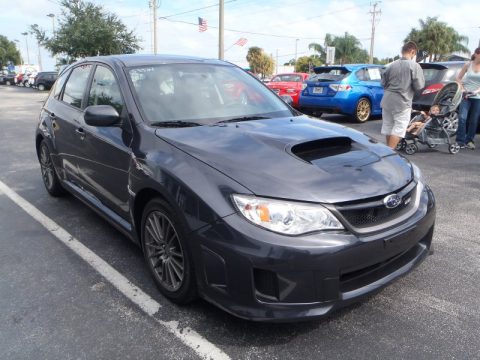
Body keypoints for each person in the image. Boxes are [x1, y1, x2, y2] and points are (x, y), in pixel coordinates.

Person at [380, 41, 425, 149]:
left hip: (387, 100)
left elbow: (383, 84)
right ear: (412, 51)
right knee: (399, 128)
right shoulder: (414, 66)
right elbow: (419, 86)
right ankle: (389, 154)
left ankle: (388, 150)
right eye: (414, 54)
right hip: (402, 102)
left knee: (388, 126)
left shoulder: (390, 65)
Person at [455, 47, 480, 150]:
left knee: (473, 120)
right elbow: (458, 78)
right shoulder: (468, 65)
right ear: (477, 54)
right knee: (462, 118)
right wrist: (463, 88)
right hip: (465, 95)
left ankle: (469, 140)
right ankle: (460, 141)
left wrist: (476, 91)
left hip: (477, 97)